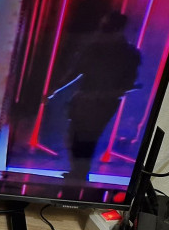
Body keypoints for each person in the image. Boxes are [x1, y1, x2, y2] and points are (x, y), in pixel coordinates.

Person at [53, 12, 141, 185]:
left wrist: (57, 88)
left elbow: (127, 82)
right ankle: (79, 173)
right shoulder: (101, 49)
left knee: (85, 136)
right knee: (78, 136)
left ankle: (79, 173)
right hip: (91, 100)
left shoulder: (126, 53)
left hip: (100, 102)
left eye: (106, 26)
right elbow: (77, 71)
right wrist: (57, 88)